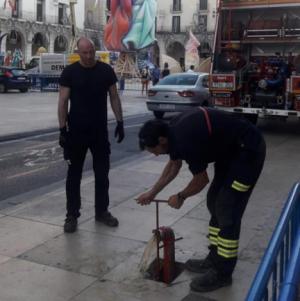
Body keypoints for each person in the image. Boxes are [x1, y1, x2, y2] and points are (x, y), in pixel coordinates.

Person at [136, 108, 266, 292]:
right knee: (213, 201)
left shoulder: (184, 139)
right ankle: (214, 258)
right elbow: (174, 166)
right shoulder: (171, 131)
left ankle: (223, 273)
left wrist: (181, 196)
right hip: (229, 154)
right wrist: (152, 193)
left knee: (227, 208)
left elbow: (201, 180)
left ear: (161, 141)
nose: (155, 154)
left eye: (153, 150)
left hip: (248, 153)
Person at [58, 37, 125, 233]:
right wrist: (63, 130)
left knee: (102, 174)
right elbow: (62, 102)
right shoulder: (70, 72)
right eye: (84, 52)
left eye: (91, 52)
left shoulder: (105, 71)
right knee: (73, 176)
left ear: (95, 51)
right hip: (76, 133)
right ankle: (71, 215)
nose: (88, 56)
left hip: (99, 132)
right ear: (78, 52)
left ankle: (102, 211)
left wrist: (120, 122)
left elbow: (114, 96)